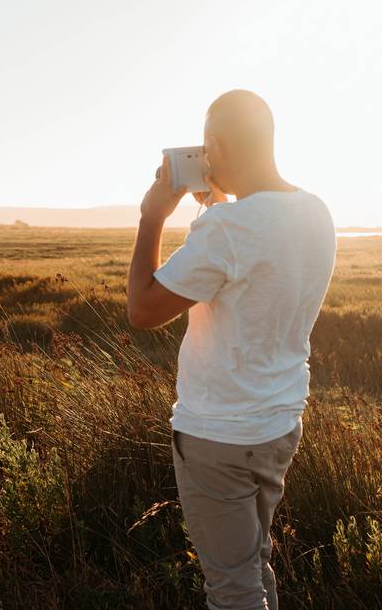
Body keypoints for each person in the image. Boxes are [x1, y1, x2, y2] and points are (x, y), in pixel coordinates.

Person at [127, 90, 336, 610]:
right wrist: (216, 207)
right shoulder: (315, 210)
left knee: (232, 589)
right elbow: (255, 266)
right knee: (252, 563)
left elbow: (144, 309)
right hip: (279, 422)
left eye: (205, 147)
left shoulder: (227, 229)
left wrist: (151, 218)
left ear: (215, 145)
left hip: (219, 434)